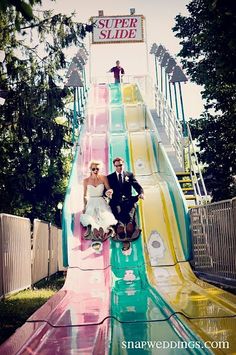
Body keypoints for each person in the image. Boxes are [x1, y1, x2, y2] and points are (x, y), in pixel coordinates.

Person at [107, 157, 144, 250]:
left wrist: (141, 193)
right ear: (114, 166)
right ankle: (120, 227)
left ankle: (129, 226)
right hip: (116, 201)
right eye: (117, 166)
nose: (119, 167)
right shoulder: (110, 177)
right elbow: (105, 190)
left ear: (123, 164)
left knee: (130, 211)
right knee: (117, 212)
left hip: (128, 200)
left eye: (120, 165)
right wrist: (107, 192)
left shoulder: (129, 175)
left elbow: (137, 186)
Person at [80, 160, 117, 241]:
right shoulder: (86, 181)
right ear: (90, 169)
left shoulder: (103, 178)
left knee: (105, 216)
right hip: (91, 201)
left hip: (101, 200)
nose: (96, 171)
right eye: (93, 169)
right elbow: (85, 195)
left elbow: (108, 189)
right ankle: (95, 230)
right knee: (91, 216)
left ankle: (104, 231)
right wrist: (84, 207)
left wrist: (109, 192)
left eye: (97, 169)